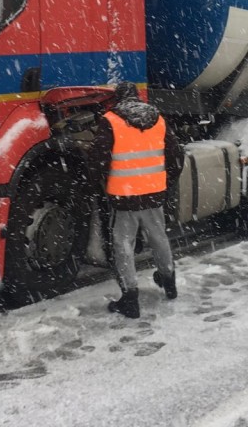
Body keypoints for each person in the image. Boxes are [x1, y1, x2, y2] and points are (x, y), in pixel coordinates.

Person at [94, 81, 183, 319]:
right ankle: (169, 283)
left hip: (124, 196)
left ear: (118, 100)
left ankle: (130, 300)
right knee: (159, 237)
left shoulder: (110, 120)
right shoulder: (158, 119)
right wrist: (165, 181)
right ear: (137, 98)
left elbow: (100, 160)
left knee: (123, 245)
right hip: (154, 194)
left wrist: (101, 183)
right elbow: (175, 156)